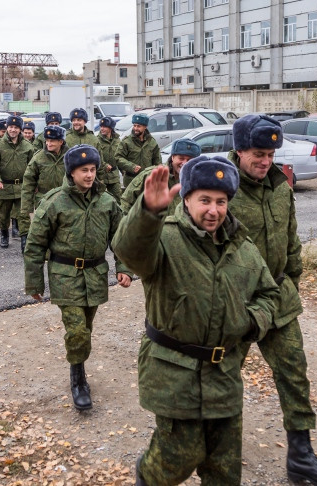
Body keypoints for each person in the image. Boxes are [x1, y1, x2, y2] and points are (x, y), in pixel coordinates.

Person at [112, 156, 279, 485]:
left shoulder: (242, 248)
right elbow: (130, 252)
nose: (214, 210)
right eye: (204, 200)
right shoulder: (166, 239)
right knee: (176, 459)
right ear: (186, 199)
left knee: (224, 469)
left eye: (221, 201)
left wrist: (250, 321)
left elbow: (270, 295)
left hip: (225, 375)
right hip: (175, 374)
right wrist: (149, 212)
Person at [227, 114, 317, 486]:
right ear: (240, 150)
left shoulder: (280, 185)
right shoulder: (221, 188)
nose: (266, 161)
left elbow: (291, 239)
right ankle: (219, 456)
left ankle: (301, 455)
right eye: (258, 154)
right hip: (236, 305)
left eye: (271, 154)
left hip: (278, 298)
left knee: (294, 374)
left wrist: (292, 280)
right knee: (223, 381)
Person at [24, 144, 132, 411]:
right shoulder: (54, 202)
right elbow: (35, 244)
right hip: (65, 275)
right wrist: (34, 282)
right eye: (83, 170)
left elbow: (120, 239)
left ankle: (78, 364)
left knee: (87, 327)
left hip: (95, 275)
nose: (89, 175)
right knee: (78, 330)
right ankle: (78, 380)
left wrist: (124, 267)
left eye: (93, 169)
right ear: (71, 172)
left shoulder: (107, 203)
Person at [0, 115, 34, 248]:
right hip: (3, 187)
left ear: (20, 129)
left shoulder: (28, 146)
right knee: (4, 214)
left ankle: (24, 239)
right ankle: (4, 234)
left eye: (16, 127)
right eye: (11, 127)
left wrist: (33, 184)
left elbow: (33, 167)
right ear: (7, 127)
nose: (13, 130)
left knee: (23, 215)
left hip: (21, 187)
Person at [19, 125, 68, 252]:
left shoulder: (70, 156)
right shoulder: (38, 157)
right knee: (44, 229)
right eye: (47, 140)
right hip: (44, 199)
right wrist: (26, 207)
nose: (48, 143)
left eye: (52, 141)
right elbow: (28, 183)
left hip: (66, 198)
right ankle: (44, 253)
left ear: (61, 142)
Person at [121, 138, 200, 214]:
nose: (185, 163)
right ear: (173, 157)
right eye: (181, 158)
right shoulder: (152, 175)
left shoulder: (198, 182)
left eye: (190, 160)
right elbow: (126, 202)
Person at [115, 113, 161, 189]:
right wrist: (131, 167)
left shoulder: (152, 142)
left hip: (147, 181)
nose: (136, 128)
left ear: (145, 127)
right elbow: (118, 158)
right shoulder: (126, 142)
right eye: (134, 125)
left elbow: (157, 161)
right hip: (131, 181)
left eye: (138, 126)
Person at [95, 116, 123, 201]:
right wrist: (104, 165)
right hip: (101, 175)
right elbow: (96, 156)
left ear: (110, 128)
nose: (102, 129)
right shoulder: (97, 140)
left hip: (114, 175)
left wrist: (124, 170)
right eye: (101, 126)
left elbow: (120, 156)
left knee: (118, 198)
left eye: (104, 127)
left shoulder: (117, 141)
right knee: (100, 199)